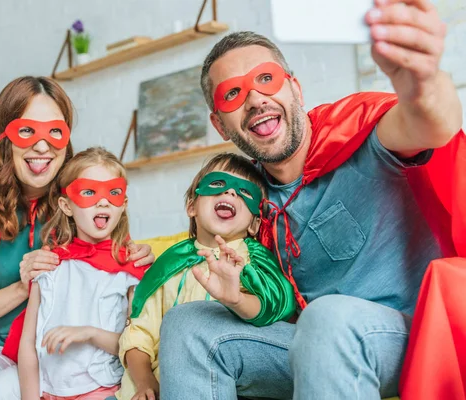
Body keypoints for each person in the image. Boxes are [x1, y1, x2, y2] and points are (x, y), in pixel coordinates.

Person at [158, 0, 464, 398]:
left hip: (407, 336)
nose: (255, 100)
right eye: (233, 94)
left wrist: (423, 82)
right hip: (311, 346)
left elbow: (433, 124)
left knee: (328, 318)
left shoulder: (361, 138)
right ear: (220, 125)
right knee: (187, 325)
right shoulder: (254, 207)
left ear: (295, 88)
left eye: (265, 80)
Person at [0, 77, 154, 400]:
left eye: (54, 131)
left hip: (61, 357)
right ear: (6, 139)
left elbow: (113, 265)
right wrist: (23, 284)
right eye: (27, 131)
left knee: (7, 391)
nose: (42, 146)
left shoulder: (83, 202)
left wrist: (138, 255)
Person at [116, 153, 296, 400]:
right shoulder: (170, 263)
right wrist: (144, 381)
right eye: (218, 184)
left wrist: (237, 300)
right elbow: (139, 333)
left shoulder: (252, 262)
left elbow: (275, 305)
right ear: (192, 206)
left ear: (254, 224)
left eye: (245, 192)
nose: (231, 193)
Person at [13, 147, 150, 400]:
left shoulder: (131, 269)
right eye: (89, 192)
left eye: (113, 192)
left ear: (124, 204)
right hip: (46, 392)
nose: (102, 201)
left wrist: (89, 334)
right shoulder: (50, 265)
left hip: (103, 392)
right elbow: (28, 345)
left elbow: (137, 346)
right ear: (66, 205)